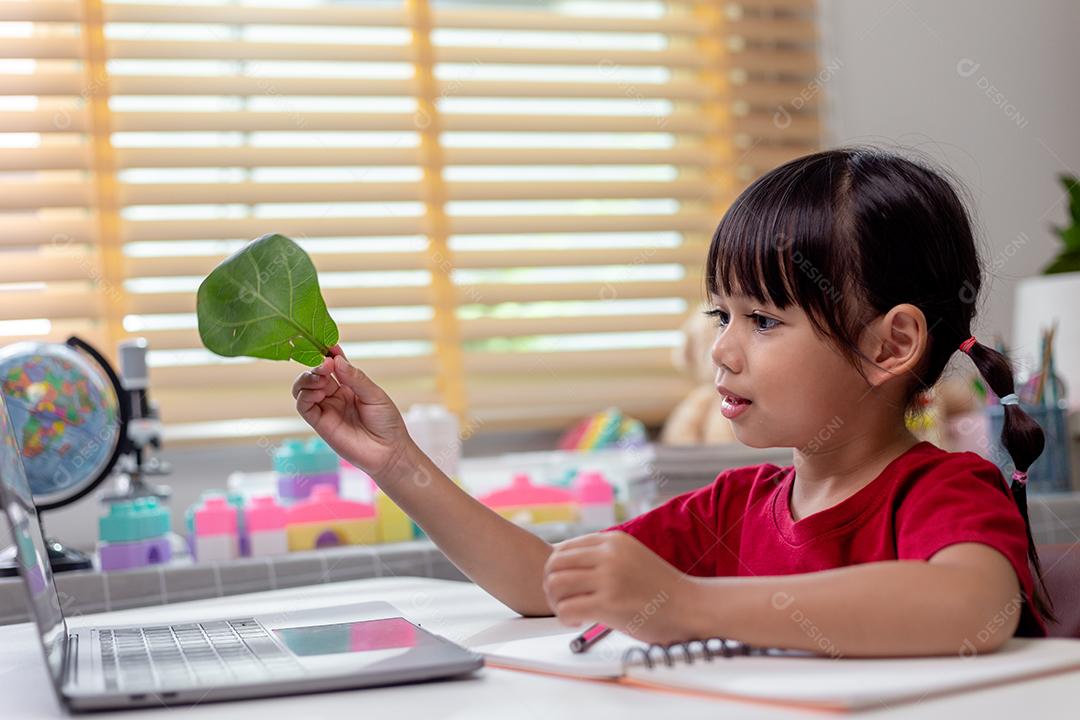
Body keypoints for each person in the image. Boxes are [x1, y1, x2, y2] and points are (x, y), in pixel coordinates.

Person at [291, 147, 1051, 656]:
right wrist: (397, 463)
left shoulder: (944, 490)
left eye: (763, 320)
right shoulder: (729, 510)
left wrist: (688, 606)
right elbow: (544, 583)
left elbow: (971, 605)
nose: (722, 349)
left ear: (889, 346)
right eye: (721, 315)